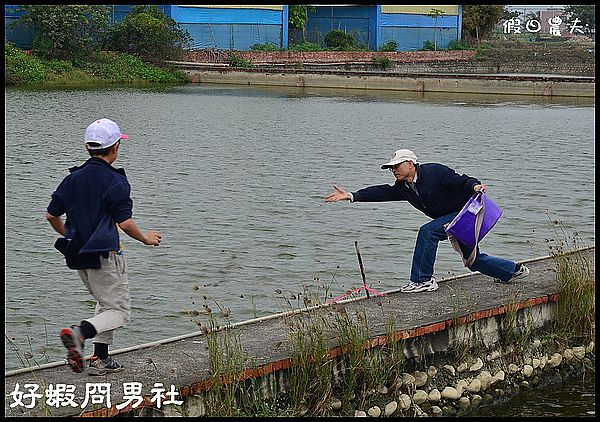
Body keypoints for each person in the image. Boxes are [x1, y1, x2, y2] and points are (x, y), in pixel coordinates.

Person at [46, 118, 162, 375]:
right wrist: (145, 238)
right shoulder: (115, 182)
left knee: (105, 302)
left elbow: (51, 216)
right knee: (119, 312)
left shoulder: (72, 179)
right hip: (105, 256)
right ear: (115, 148)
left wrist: (72, 234)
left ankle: (100, 358)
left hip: (78, 255)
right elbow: (125, 222)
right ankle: (80, 333)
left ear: (88, 148)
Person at [325, 149, 529, 293]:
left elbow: (459, 180)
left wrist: (475, 186)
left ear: (411, 164)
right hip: (450, 219)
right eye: (391, 168)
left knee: (428, 232)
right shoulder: (404, 187)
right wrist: (351, 195)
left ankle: (423, 280)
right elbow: (381, 192)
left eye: (397, 166)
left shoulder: (434, 172)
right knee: (472, 261)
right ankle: (511, 271)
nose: (393, 170)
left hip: (466, 214)